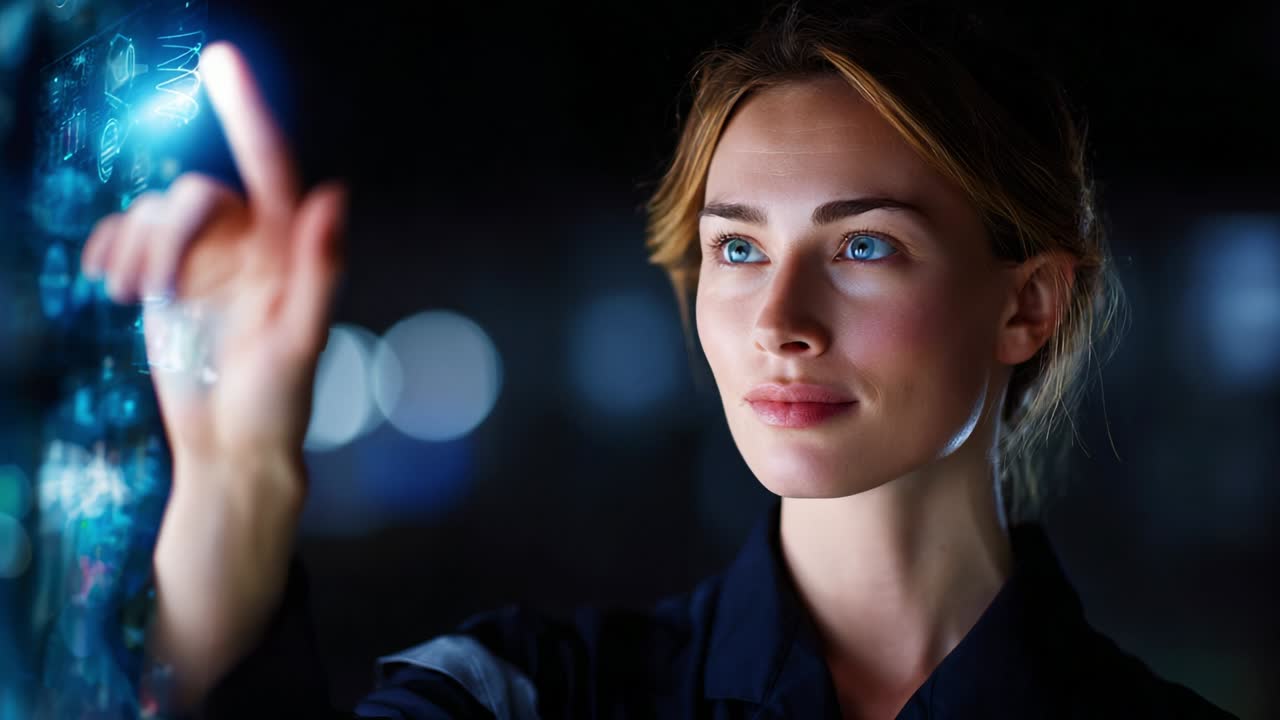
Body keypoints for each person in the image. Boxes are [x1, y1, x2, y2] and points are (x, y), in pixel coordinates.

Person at [80, 3, 1237, 718]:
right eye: (736, 246)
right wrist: (239, 471)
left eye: (865, 245)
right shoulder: (522, 693)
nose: (778, 316)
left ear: (1026, 305)